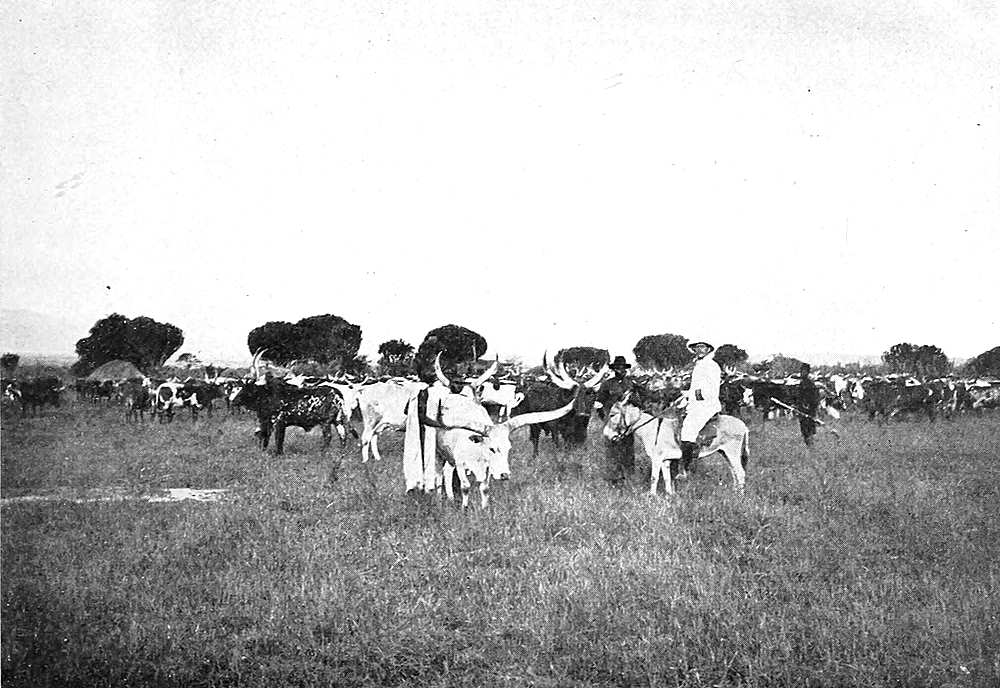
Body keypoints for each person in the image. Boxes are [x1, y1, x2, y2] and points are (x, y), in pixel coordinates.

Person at [679, 341, 722, 474]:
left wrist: (694, 395)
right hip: (696, 404)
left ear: (708, 349)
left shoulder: (712, 365)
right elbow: (695, 387)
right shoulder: (698, 365)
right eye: (697, 347)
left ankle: (686, 468)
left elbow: (713, 388)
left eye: (702, 347)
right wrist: (686, 396)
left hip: (707, 404)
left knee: (688, 430)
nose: (699, 350)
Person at [596, 355, 636, 487]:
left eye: (622, 367)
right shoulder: (607, 384)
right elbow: (599, 403)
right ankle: (613, 479)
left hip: (627, 423)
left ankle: (628, 477)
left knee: (628, 449)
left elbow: (638, 400)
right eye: (618, 367)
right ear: (614, 369)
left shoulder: (630, 383)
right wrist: (605, 419)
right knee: (612, 451)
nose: (620, 370)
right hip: (612, 422)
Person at [796, 363, 820, 446]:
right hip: (802, 410)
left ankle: (811, 446)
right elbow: (798, 397)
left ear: (807, 372)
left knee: (809, 430)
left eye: (804, 371)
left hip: (809, 410)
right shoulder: (801, 383)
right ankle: (809, 445)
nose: (802, 373)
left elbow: (815, 397)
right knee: (804, 430)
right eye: (801, 371)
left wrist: (809, 406)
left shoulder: (810, 384)